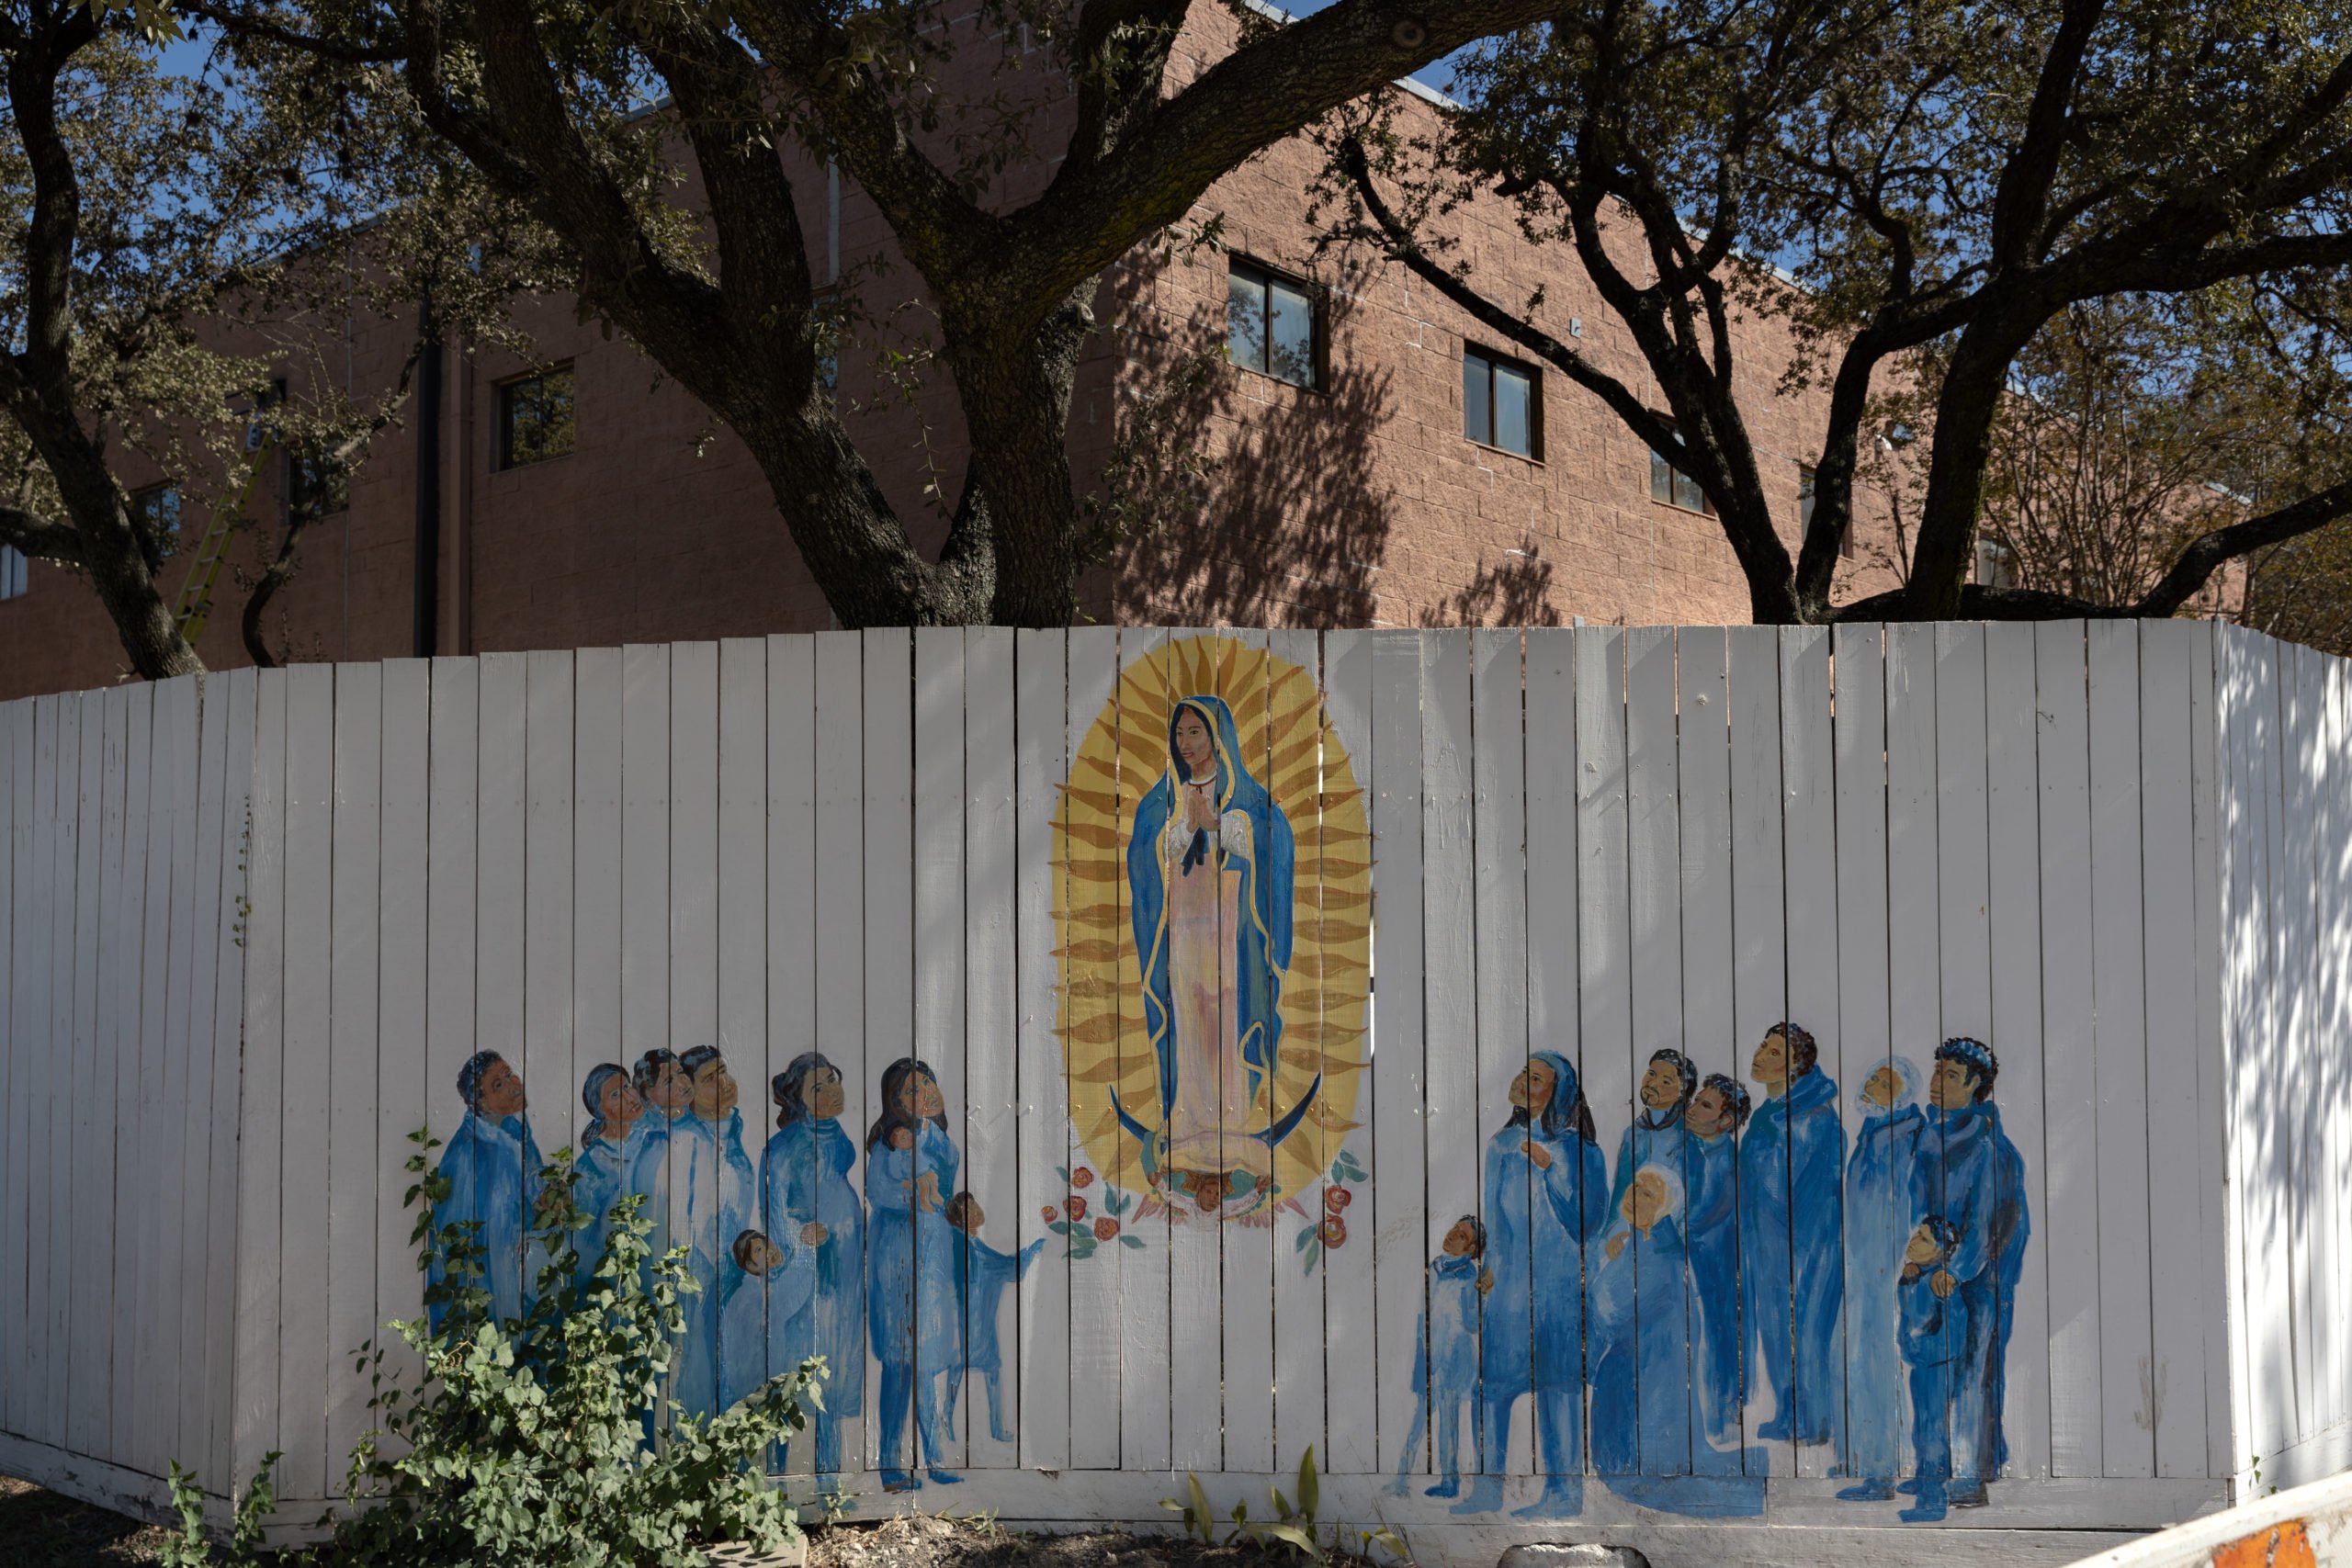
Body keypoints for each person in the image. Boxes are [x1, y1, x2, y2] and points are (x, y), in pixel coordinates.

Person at [1124, 694, 1302, 1210]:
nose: (1185, 743)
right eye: (1179, 734)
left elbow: (1275, 843)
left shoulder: (1243, 794)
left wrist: (1222, 826)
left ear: (1217, 736)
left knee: (1225, 1007)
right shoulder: (1166, 795)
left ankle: (1229, 1120)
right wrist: (1185, 828)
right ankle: (1188, 1117)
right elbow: (1148, 850)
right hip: (1183, 917)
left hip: (1229, 918)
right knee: (1188, 1007)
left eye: (1194, 732)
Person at [1458, 1050, 1608, 1517]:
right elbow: (1496, 1218)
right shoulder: (1501, 1145)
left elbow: (1590, 1221)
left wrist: (1552, 1168)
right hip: (1507, 1287)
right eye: (1524, 1071)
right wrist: (1490, 1271)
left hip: (1557, 1288)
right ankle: (1487, 1489)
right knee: (1494, 1387)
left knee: (1559, 1386)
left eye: (1537, 1077)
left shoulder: (1582, 1152)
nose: (1524, 1080)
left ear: (1557, 1092)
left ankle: (1564, 1495)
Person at [1911, 1036, 2028, 1506]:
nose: (1938, 1083)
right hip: (1937, 1273)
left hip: (1981, 1278)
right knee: (1933, 1370)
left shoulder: (1988, 1148)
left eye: (1951, 1077)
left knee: (1974, 1370)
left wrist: (1957, 1270)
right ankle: (1937, 1467)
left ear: (1976, 1086)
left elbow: (1984, 1225)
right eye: (1938, 1072)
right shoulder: (1932, 1138)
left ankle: (1971, 1474)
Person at [630, 1044, 758, 1423]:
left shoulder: (722, 1132)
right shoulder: (669, 1137)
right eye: (708, 1078)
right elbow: (680, 1209)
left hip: (722, 1262)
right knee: (684, 1362)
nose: (723, 1083)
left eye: (722, 1071)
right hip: (688, 1265)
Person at [761, 1052, 865, 1486]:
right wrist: (798, 1234)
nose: (832, 1090)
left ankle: (829, 1477)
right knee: (795, 1371)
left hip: (842, 1269)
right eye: (818, 1087)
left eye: (833, 1079)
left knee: (837, 1372)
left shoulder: (838, 1137)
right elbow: (775, 1205)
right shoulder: (784, 1146)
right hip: (807, 1273)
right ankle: (778, 1475)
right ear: (800, 1100)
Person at [1740, 1021, 1844, 1447]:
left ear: (1796, 1066)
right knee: (1774, 1328)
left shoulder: (1815, 1118)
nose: (1761, 1055)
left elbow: (1801, 1190)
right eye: (1763, 1045)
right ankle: (1787, 1413)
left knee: (1808, 1331)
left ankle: (1814, 1420)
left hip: (1808, 1245)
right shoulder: (1766, 1116)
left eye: (1775, 1052)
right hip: (1766, 1244)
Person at [865, 1058, 964, 1491]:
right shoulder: (890, 1146)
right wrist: (908, 1187)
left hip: (932, 1259)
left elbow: (945, 1173)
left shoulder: (937, 1138)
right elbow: (878, 1191)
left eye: (927, 1084)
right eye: (910, 1090)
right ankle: (890, 1463)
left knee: (926, 1362)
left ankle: (933, 1458)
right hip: (896, 1261)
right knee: (899, 1363)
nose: (922, 1094)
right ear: (895, 1103)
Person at [1838, 1057, 1925, 1501]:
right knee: (1858, 1361)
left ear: (1905, 1093)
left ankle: (1881, 1472)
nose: (1872, 1084)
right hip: (1861, 1269)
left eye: (1885, 1081)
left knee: (1881, 1364)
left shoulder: (1910, 1137)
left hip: (1889, 1271)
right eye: (1872, 1076)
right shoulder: (1871, 1133)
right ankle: (1869, 1462)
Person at [1589, 1165, 1690, 1483]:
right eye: (1635, 1185)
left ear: (1664, 1209)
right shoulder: (1637, 1240)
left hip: (1644, 1375)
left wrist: (1609, 1264)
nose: (1634, 1196)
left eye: (1648, 1194)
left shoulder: (1663, 1252)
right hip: (1626, 1367)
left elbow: (1609, 1311)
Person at [430, 1051, 542, 1330]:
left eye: (509, 1074)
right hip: (489, 1283)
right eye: (498, 1085)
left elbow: (531, 1181)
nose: (514, 1083)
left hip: (518, 1271)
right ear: (481, 1102)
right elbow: (462, 1243)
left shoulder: (514, 1128)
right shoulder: (467, 1154)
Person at [1387, 1214, 1485, 1499]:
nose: (1454, 1235)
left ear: (1471, 1250)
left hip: (1456, 1360)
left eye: (1463, 1236)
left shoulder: (1470, 1276)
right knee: (1420, 1418)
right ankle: (1401, 1478)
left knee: (1449, 1420)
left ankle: (1450, 1481)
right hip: (1430, 1355)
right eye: (1456, 1229)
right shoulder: (1434, 1268)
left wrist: (1480, 1297)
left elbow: (1471, 1323)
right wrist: (1422, 1354)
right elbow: (1423, 1314)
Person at [1683, 1073, 1750, 1465]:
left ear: (1726, 1122)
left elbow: (1702, 1212)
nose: (1693, 1109)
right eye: (1696, 1101)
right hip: (1691, 1261)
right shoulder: (1689, 1148)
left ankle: (1723, 1422)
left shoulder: (1724, 1159)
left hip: (1716, 1265)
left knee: (1717, 1336)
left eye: (1705, 1105)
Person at [944, 1191, 1044, 1444]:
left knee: (973, 1371)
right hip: (968, 1322)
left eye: (974, 1204)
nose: (975, 1211)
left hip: (974, 1322)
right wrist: (1033, 1250)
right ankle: (983, 1426)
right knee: (977, 1371)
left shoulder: (971, 1244)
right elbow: (1009, 1268)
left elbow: (1005, 1267)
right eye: (968, 1209)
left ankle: (981, 1425)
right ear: (959, 1219)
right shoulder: (966, 1245)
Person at [1895, 1217, 1968, 1522]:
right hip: (1920, 1363)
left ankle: (1933, 1499)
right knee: (1921, 1425)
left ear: (1941, 1252)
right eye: (1916, 1235)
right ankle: (1925, 1475)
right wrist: (1908, 1280)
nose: (1913, 1242)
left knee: (1933, 1428)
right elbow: (1910, 1313)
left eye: (1924, 1240)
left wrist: (1942, 1287)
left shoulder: (1942, 1281)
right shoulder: (1917, 1276)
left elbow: (1956, 1327)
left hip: (1937, 1365)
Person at [718, 1227, 819, 1416]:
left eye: (765, 1244)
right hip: (756, 1396)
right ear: (751, 1266)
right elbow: (789, 1295)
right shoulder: (753, 1295)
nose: (769, 1249)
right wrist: (806, 1249)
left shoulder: (756, 1289)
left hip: (761, 1393)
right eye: (758, 1250)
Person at [573, 1062, 646, 1283]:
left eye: (626, 1087)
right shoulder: (592, 1164)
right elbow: (584, 1237)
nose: (629, 1098)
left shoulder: (651, 1138)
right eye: (615, 1095)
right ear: (600, 1111)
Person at [1609, 1049, 1697, 1216]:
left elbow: (1690, 1200)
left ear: (1682, 1093)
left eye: (1666, 1081)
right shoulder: (1632, 1133)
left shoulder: (1688, 1135)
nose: (1653, 1084)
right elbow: (1620, 1191)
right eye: (1651, 1074)